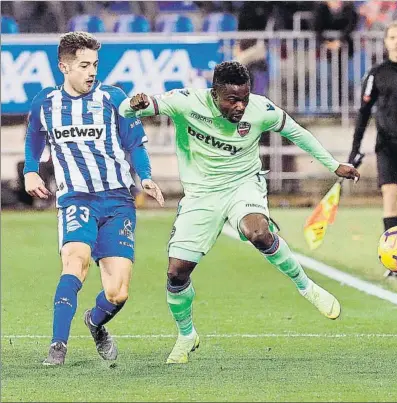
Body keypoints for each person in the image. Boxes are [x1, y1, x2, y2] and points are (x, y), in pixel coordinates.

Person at [119, 61, 360, 364]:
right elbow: (128, 112)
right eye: (232, 99)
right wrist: (133, 103)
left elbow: (298, 133)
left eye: (244, 98)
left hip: (242, 186)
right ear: (214, 93)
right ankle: (186, 334)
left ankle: (306, 287)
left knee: (258, 232)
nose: (240, 106)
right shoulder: (185, 102)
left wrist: (333, 164)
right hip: (201, 195)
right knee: (176, 272)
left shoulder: (260, 110)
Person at [24, 31, 164, 366]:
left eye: (95, 65)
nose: (91, 71)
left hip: (117, 201)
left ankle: (95, 322)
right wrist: (31, 170)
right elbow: (34, 138)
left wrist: (144, 176)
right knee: (75, 262)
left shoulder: (113, 98)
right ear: (64, 66)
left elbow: (134, 144)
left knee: (118, 292)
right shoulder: (46, 103)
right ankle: (58, 346)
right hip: (75, 199)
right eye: (84, 65)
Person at [348, 21, 397, 277]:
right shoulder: (376, 74)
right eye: (391, 37)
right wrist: (355, 149)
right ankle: (395, 264)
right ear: (386, 42)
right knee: (389, 202)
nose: (396, 42)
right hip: (387, 148)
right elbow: (363, 113)